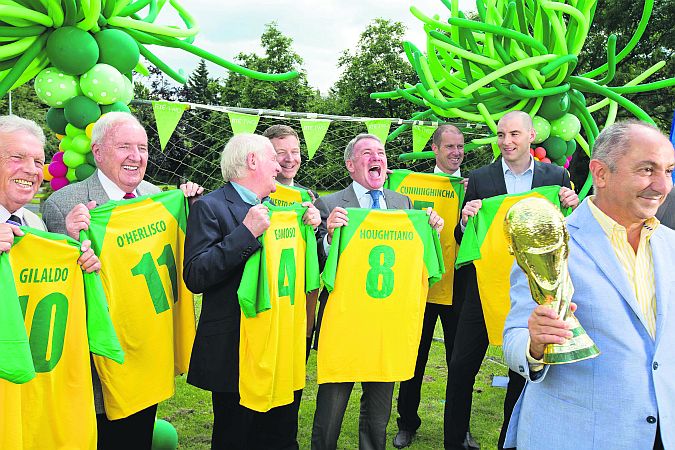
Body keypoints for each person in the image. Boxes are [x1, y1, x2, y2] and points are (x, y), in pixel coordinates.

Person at [503, 120, 675, 449]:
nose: (662, 185)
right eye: (647, 169)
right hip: (579, 436)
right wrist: (535, 345)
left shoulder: (672, 245)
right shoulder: (550, 243)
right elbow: (513, 338)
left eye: (668, 170)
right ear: (601, 173)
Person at [42, 112, 203, 449]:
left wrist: (191, 206)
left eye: (142, 148)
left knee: (138, 437)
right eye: (125, 147)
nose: (136, 156)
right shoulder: (63, 205)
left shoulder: (154, 195)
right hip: (100, 363)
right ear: (98, 151)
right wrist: (73, 244)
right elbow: (58, 286)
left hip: (147, 351)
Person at [448, 111, 579, 450]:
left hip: (532, 291)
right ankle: (453, 440)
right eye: (502, 134)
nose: (507, 141)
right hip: (485, 287)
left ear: (532, 135)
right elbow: (462, 238)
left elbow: (568, 234)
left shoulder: (556, 176)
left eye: (515, 134)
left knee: (521, 371)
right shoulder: (479, 178)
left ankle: (510, 439)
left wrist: (573, 207)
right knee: (461, 366)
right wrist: (465, 221)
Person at [182, 133, 320, 450]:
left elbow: (307, 272)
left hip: (279, 346)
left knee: (280, 435)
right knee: (236, 437)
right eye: (273, 157)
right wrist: (246, 233)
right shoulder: (210, 206)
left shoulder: (281, 210)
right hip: (236, 352)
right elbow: (196, 275)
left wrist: (312, 233)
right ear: (253, 161)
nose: (280, 165)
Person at [310, 133, 444, 450]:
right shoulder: (329, 204)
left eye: (381, 153)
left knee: (379, 411)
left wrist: (432, 230)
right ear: (351, 164)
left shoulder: (403, 204)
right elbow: (315, 262)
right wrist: (329, 238)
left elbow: (419, 259)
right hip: (345, 322)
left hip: (388, 323)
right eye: (367, 153)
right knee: (331, 406)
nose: (377, 158)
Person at [393, 125, 476, 449]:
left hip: (459, 290)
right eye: (450, 146)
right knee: (414, 360)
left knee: (462, 366)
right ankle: (407, 423)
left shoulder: (471, 188)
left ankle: (461, 427)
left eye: (460, 146)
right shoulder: (411, 187)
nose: (456, 152)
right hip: (421, 287)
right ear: (435, 149)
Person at [0, 114, 98, 272]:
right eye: (17, 157)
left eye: (38, 162)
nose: (32, 170)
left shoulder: (36, 225)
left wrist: (75, 259)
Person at [262, 124, 320, 359]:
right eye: (281, 152)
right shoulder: (254, 195)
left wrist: (317, 230)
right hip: (266, 300)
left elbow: (319, 256)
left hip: (299, 302)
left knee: (294, 374)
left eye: (295, 152)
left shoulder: (310, 198)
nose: (289, 159)